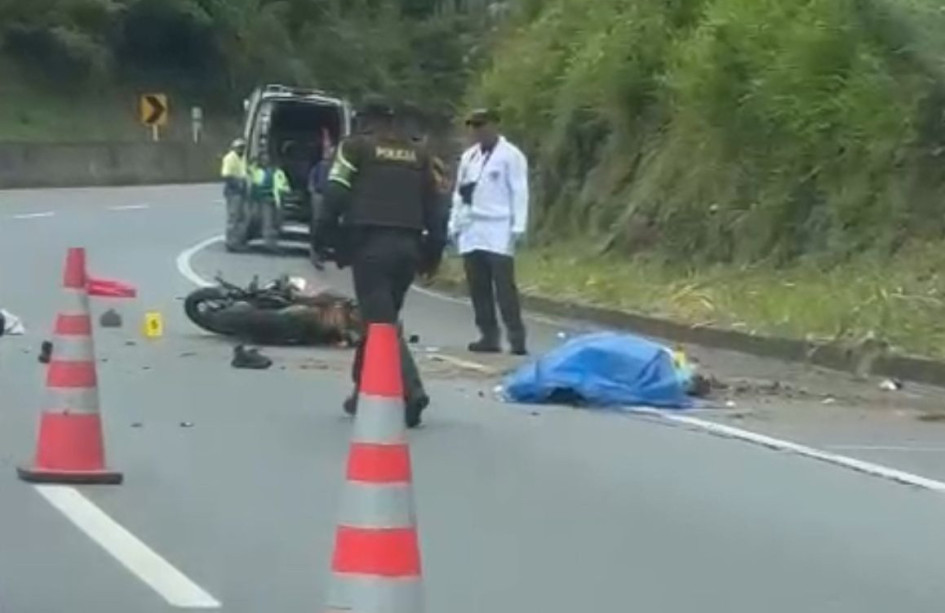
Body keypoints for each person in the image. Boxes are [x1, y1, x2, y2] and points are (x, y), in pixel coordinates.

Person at [312, 97, 447, 428]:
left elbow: (335, 195)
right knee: (379, 319)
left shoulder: (355, 148)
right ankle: (363, 390)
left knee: (381, 324)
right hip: (409, 248)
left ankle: (412, 393)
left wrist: (324, 239)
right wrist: (433, 254)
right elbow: (439, 210)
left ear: (365, 121)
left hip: (371, 247)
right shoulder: (420, 155)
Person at [448, 107, 530, 355]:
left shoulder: (511, 155)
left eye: (482, 125)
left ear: (495, 125)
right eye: (473, 126)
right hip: (472, 226)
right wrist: (454, 223)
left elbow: (520, 191)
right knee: (477, 285)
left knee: (504, 286)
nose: (477, 131)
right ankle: (488, 335)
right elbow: (459, 193)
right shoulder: (469, 157)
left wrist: (518, 226)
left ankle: (516, 337)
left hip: (499, 226)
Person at [248, 153, 291, 254]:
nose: (265, 162)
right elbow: (253, 185)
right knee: (267, 223)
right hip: (263, 200)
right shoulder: (257, 172)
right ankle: (269, 245)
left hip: (276, 200)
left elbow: (285, 186)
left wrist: (284, 191)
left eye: (266, 160)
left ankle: (273, 243)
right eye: (262, 160)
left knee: (276, 223)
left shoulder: (278, 173)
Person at [308, 142, 335, 269]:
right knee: (318, 221)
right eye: (327, 152)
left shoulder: (334, 167)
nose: (328, 154)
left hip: (330, 196)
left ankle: (323, 250)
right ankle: (315, 250)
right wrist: (313, 192)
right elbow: (311, 181)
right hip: (319, 195)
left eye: (330, 152)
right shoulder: (318, 166)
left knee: (327, 222)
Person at [222, 138, 250, 252]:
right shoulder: (230, 158)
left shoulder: (242, 158)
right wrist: (238, 184)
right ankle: (231, 242)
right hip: (233, 191)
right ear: (234, 148)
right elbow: (227, 175)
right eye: (240, 147)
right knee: (233, 218)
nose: (242, 149)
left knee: (243, 217)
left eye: (243, 147)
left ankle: (238, 241)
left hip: (241, 191)